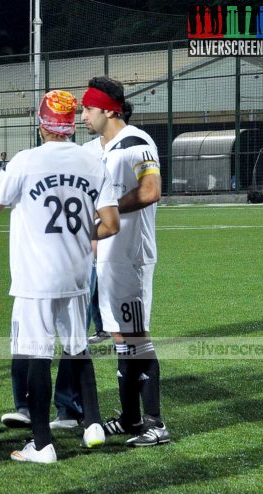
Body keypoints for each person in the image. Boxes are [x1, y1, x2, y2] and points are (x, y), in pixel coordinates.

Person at [0, 90, 120, 463]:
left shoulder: (25, 161)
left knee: (37, 355)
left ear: (41, 122)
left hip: (36, 276)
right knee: (77, 347)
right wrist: (78, 238)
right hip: (76, 271)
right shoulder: (92, 161)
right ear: (72, 123)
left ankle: (42, 444)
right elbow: (110, 224)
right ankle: (92, 422)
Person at [81, 76, 169, 447]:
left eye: (88, 108)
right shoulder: (89, 149)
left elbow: (151, 190)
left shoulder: (137, 143)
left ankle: (156, 423)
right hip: (106, 258)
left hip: (132, 256)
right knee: (120, 336)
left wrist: (108, 213)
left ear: (108, 109)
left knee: (135, 336)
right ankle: (131, 418)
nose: (82, 115)